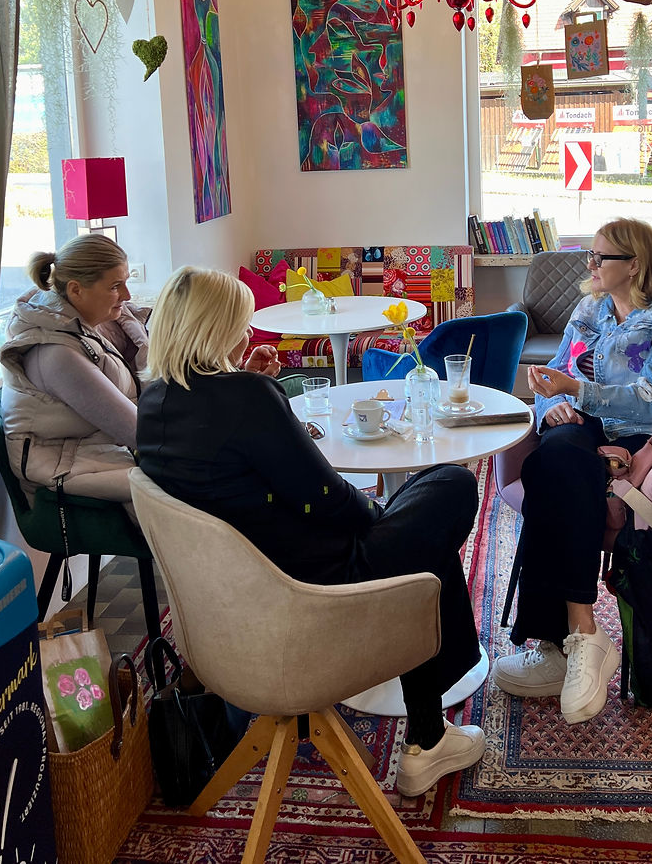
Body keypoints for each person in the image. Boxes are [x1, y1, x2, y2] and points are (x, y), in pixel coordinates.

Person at [135, 265, 486, 798]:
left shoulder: (154, 403)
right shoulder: (245, 398)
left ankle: (430, 732)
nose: (246, 333)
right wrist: (378, 516)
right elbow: (324, 495)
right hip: (312, 581)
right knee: (452, 486)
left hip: (240, 591)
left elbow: (233, 467)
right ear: (215, 327)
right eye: (239, 322)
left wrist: (252, 381)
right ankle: (429, 735)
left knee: (421, 536)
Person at [491, 218, 652, 725]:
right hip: (588, 422)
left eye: (598, 257)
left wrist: (575, 392)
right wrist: (552, 406)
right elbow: (554, 380)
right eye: (589, 255)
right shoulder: (589, 309)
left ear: (634, 264)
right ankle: (577, 634)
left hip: (646, 434)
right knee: (553, 455)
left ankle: (558, 640)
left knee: (558, 469)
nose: (588, 265)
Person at [0, 236, 282, 508]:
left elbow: (171, 394)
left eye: (126, 282)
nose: (127, 295)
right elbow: (144, 435)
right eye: (115, 286)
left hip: (105, 449)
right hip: (67, 467)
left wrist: (239, 378)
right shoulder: (56, 356)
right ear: (75, 290)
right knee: (220, 475)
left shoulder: (103, 322)